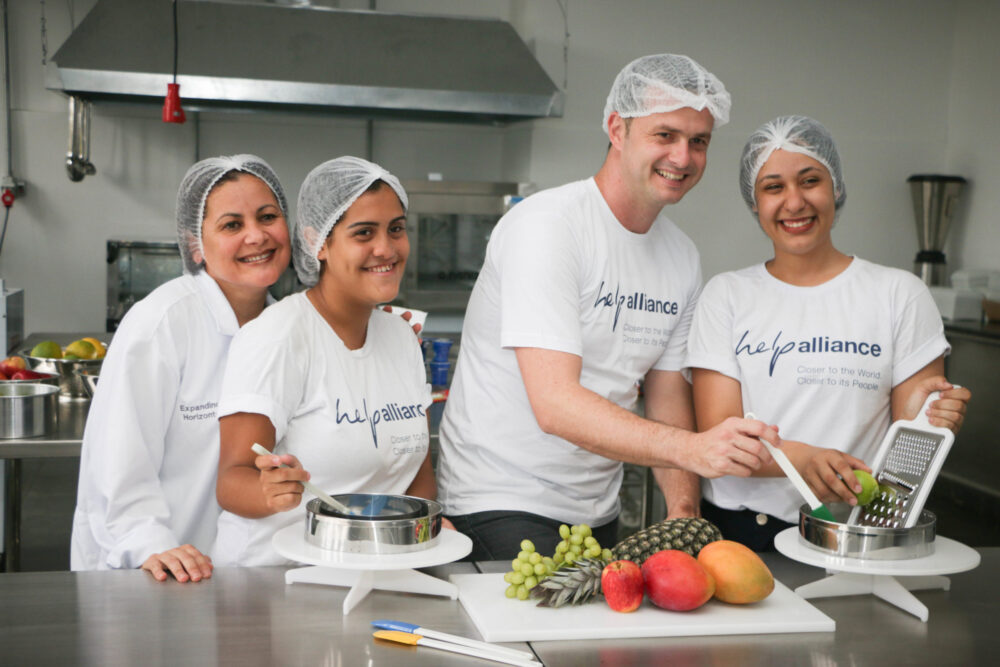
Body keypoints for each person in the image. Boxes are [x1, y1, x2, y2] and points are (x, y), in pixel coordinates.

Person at [435, 53, 779, 561]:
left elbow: (665, 394)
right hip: (499, 504)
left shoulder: (681, 256)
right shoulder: (549, 227)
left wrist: (684, 506)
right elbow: (554, 404)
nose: (683, 157)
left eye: (698, 141)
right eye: (665, 135)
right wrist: (696, 450)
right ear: (617, 129)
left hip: (596, 512)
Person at [684, 115, 972, 550]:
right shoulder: (726, 295)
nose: (794, 202)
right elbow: (720, 434)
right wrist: (802, 459)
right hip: (742, 533)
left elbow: (911, 435)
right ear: (754, 201)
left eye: (810, 180)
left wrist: (936, 420)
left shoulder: (899, 294)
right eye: (774, 187)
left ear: (835, 187)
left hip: (857, 528)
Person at [71, 155, 291, 581]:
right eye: (231, 225)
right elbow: (117, 460)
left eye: (268, 216)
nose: (256, 235)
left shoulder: (288, 327)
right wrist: (151, 542)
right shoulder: (162, 322)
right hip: (154, 569)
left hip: (243, 575)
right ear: (195, 245)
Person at [212, 156, 439, 566]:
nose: (386, 248)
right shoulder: (279, 336)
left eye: (397, 229)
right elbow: (232, 480)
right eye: (363, 233)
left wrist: (425, 537)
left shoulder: (401, 337)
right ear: (320, 243)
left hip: (373, 569)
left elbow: (417, 473)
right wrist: (268, 490)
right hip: (270, 579)